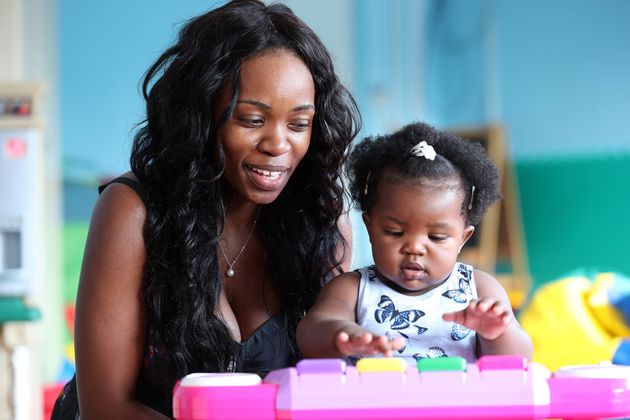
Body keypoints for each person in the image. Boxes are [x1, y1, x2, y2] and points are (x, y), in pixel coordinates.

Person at [51, 0, 361, 418]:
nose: (278, 145)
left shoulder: (323, 223)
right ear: (201, 115)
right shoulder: (134, 210)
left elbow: (326, 389)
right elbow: (106, 407)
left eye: (299, 124)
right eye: (252, 120)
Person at [297, 122, 533, 363]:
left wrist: (495, 333)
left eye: (436, 237)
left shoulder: (480, 289)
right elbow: (310, 333)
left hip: (458, 400)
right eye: (395, 232)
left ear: (463, 239)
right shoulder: (352, 289)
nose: (415, 248)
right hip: (375, 400)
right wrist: (342, 333)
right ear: (370, 228)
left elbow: (520, 357)